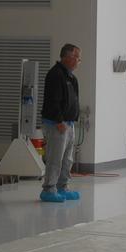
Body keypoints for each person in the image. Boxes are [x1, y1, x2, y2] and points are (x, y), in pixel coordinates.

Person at [41, 43, 82, 203]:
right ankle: (49, 189)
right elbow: (53, 101)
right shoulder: (55, 75)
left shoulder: (71, 77)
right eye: (77, 57)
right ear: (68, 57)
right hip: (56, 124)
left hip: (69, 124)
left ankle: (62, 187)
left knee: (67, 159)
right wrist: (59, 121)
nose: (79, 61)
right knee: (55, 158)